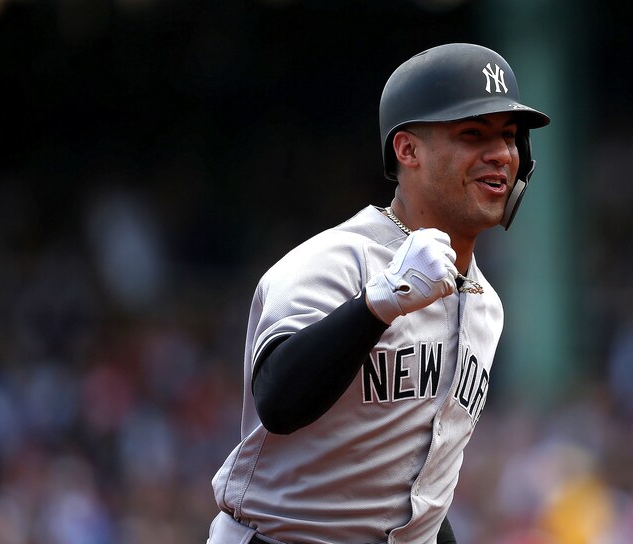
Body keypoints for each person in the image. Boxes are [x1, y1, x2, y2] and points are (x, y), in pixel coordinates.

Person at [207, 42, 550, 544]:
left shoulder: (485, 304)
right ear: (407, 150)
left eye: (509, 137)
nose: (500, 153)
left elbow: (420, 498)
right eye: (473, 134)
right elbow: (278, 401)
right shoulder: (334, 261)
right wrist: (378, 302)